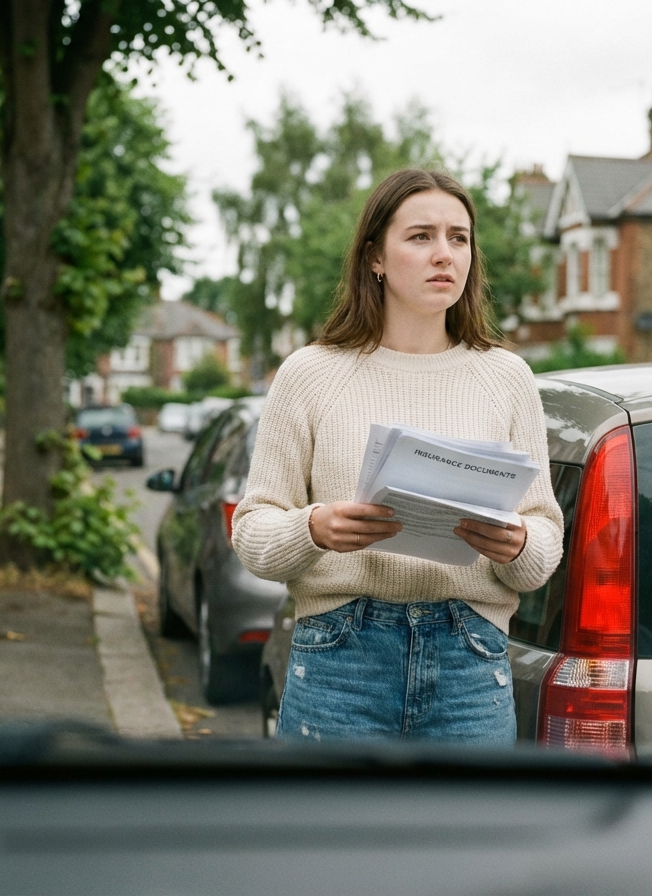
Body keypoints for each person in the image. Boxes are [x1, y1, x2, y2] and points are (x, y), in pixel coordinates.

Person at [232, 168, 563, 745]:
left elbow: (544, 541)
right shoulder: (311, 374)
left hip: (470, 657)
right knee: (337, 838)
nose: (445, 254)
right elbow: (252, 530)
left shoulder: (507, 377)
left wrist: (519, 544)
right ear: (374, 259)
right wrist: (315, 527)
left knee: (465, 839)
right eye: (421, 236)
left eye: (459, 238)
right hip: (340, 657)